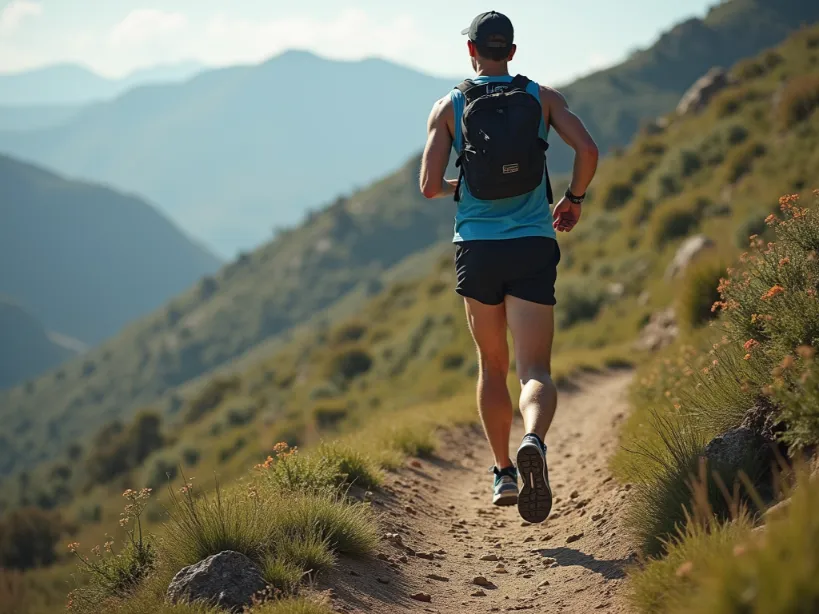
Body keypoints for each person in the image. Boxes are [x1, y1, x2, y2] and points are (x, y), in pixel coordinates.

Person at [419, 10, 599, 523]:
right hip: (533, 244)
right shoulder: (542, 97)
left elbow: (430, 187)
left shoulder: (450, 105)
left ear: (471, 52)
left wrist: (467, 186)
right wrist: (573, 198)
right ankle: (534, 441)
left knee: (491, 366)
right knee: (534, 369)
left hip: (477, 248)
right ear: (512, 52)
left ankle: (503, 473)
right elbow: (587, 149)